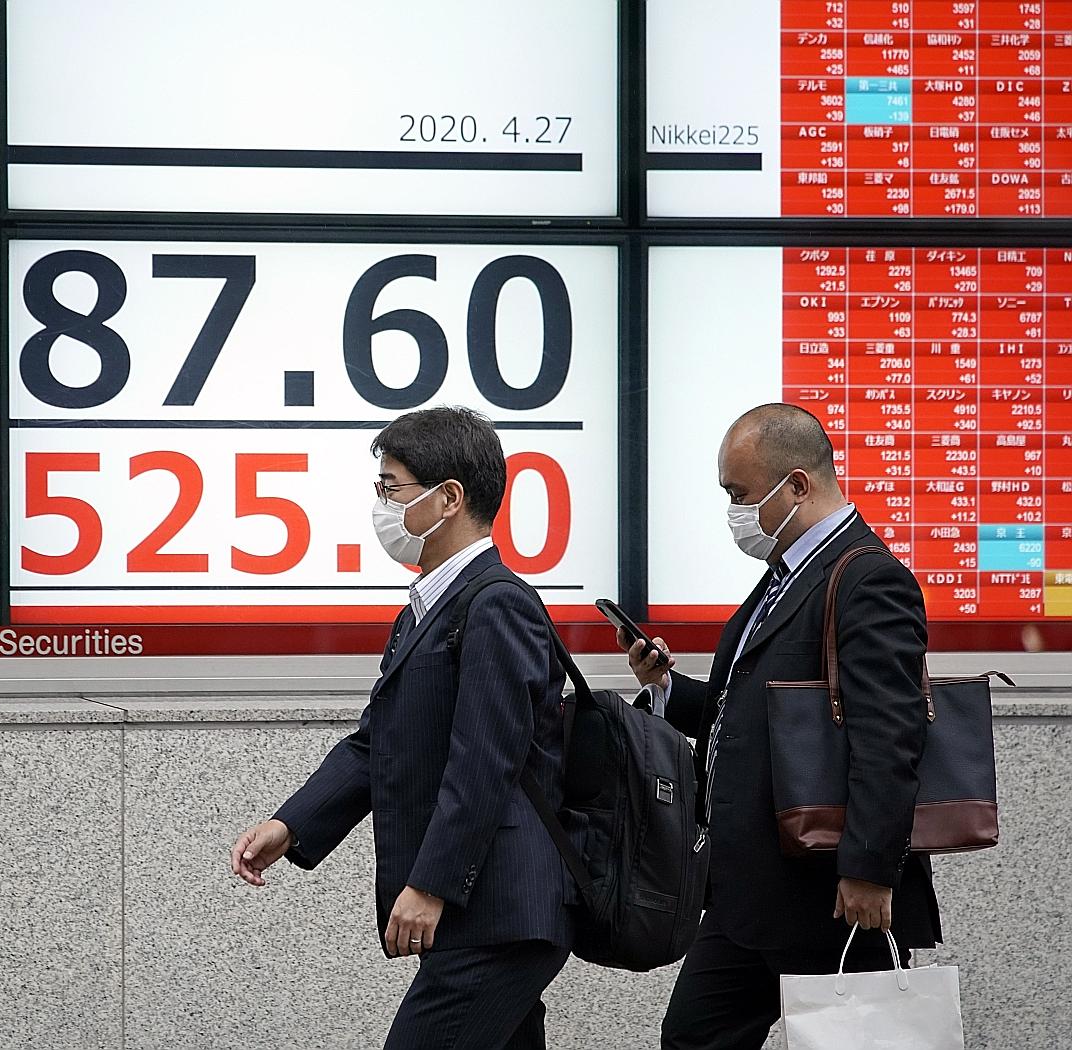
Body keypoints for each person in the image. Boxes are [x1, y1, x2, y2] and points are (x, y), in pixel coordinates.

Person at [229, 406, 573, 1050]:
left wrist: (430, 884)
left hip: (497, 912)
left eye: (393, 488)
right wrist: (292, 824)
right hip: (486, 915)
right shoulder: (427, 608)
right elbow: (376, 742)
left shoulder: (496, 603)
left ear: (449, 498)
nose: (382, 505)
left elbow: (485, 761)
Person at [619, 403, 941, 1050]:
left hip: (829, 894)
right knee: (691, 1036)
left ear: (797, 485)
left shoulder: (867, 580)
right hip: (747, 891)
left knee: (851, 1043)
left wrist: (871, 869)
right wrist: (666, 691)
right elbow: (752, 710)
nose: (734, 513)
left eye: (739, 494)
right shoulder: (783, 579)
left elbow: (890, 734)